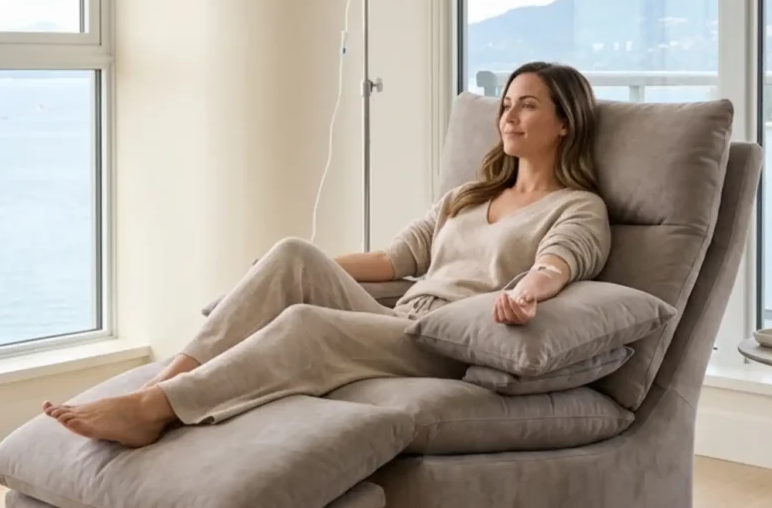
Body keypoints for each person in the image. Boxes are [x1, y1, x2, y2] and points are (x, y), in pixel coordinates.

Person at [43, 61, 612, 448]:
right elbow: (394, 261)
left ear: (564, 123)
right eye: (507, 104)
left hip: (447, 343)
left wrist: (524, 294)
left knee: (307, 325)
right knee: (291, 253)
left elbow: (557, 265)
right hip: (399, 322)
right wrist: (279, 274)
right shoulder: (469, 195)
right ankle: (157, 386)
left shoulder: (577, 207)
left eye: (527, 106)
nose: (508, 116)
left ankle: (155, 409)